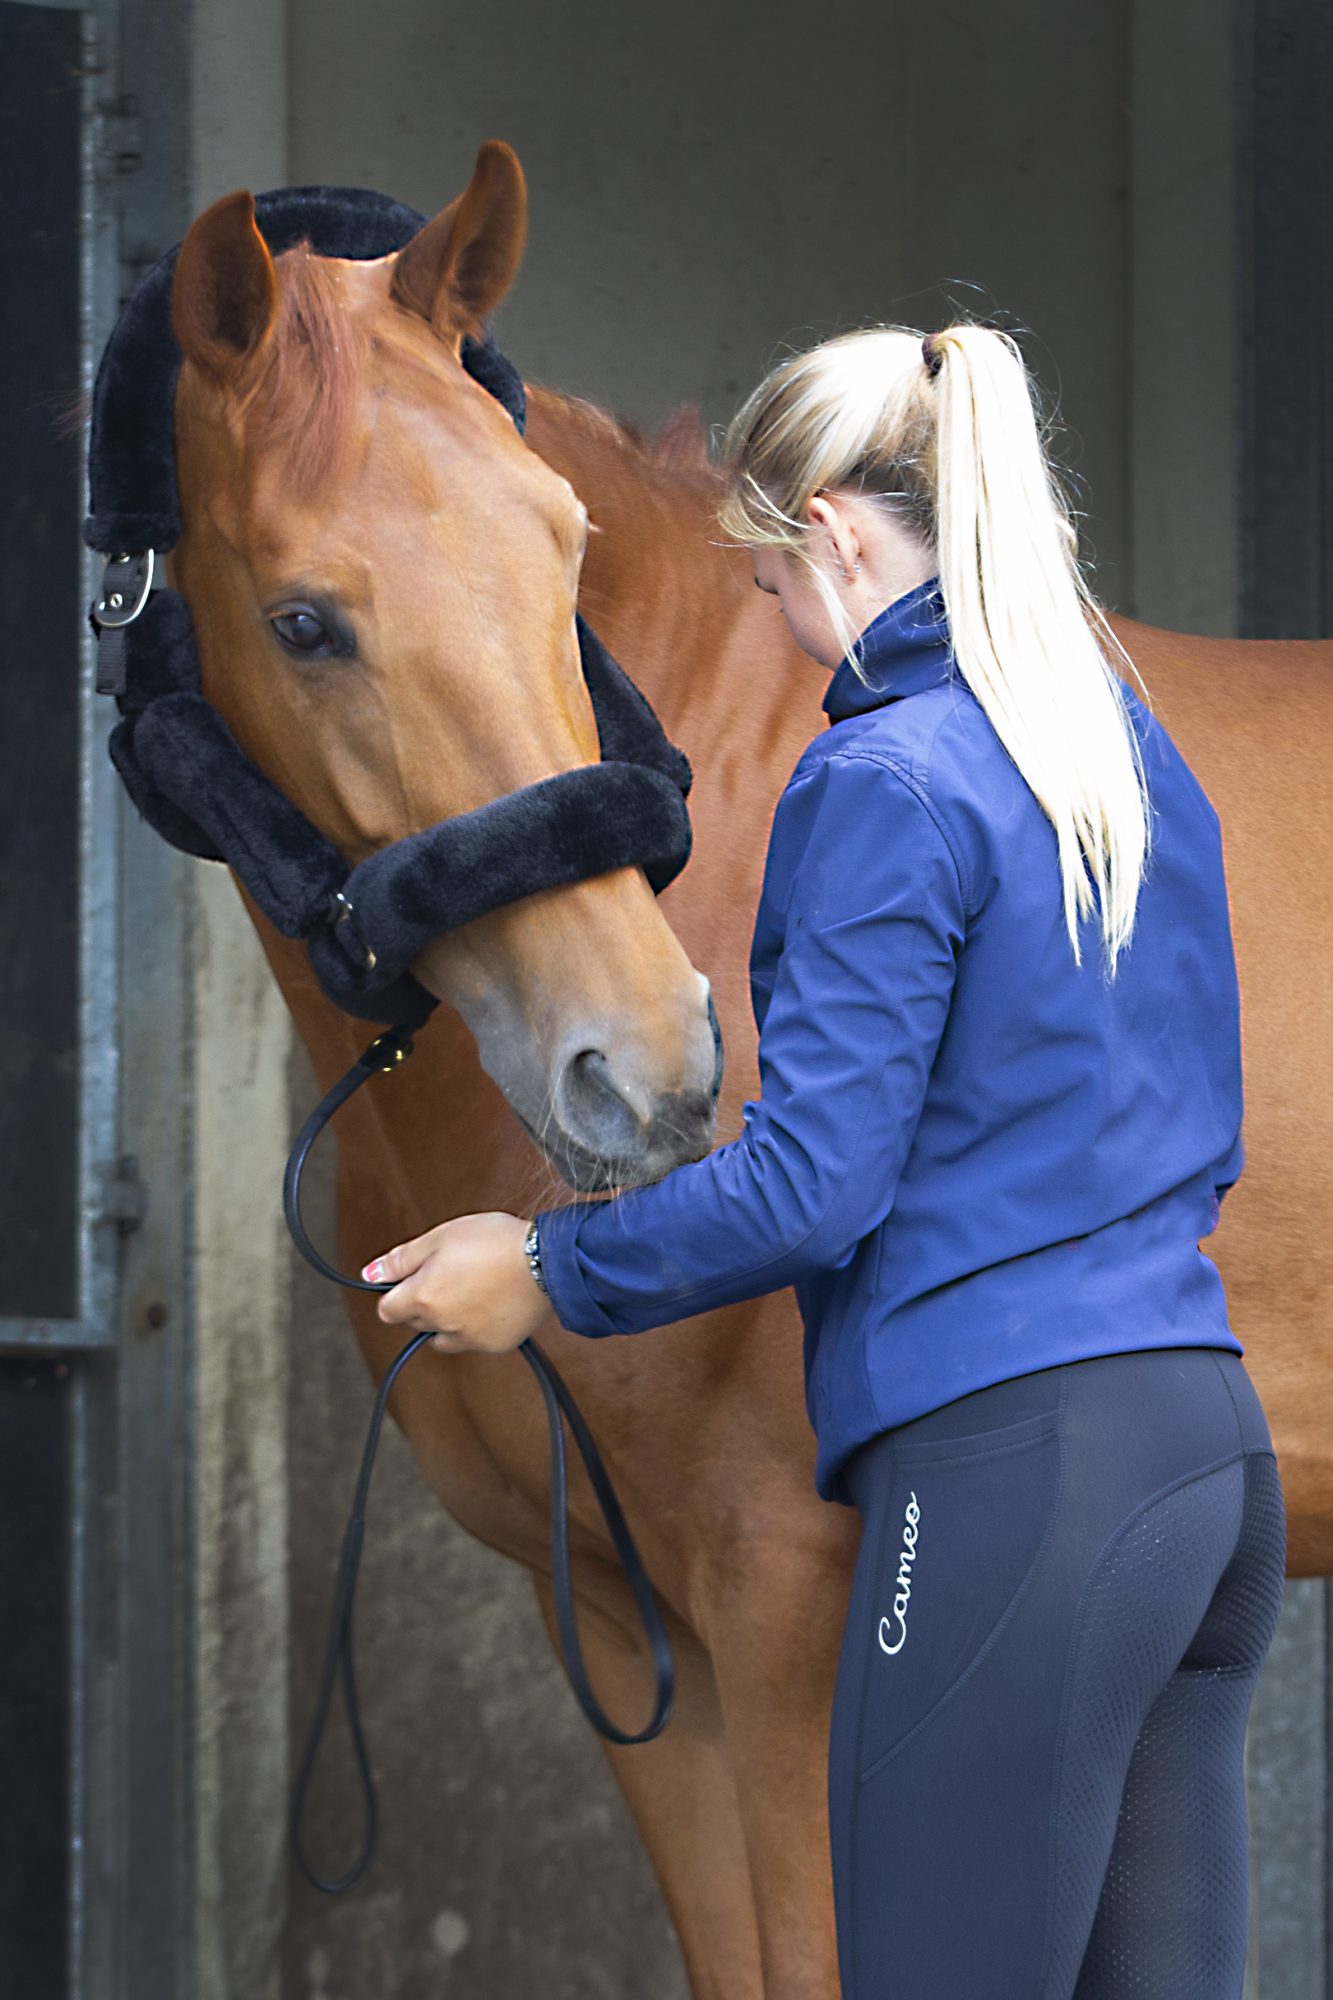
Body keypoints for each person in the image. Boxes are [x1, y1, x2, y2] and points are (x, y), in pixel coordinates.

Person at [362, 321, 1287, 1998]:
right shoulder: (1121, 760)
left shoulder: (876, 772)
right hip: (1197, 1456)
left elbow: (814, 1184)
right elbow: (1193, 1125)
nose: (778, 628)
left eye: (773, 580)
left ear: (840, 537)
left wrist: (546, 1269)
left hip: (1012, 1482)